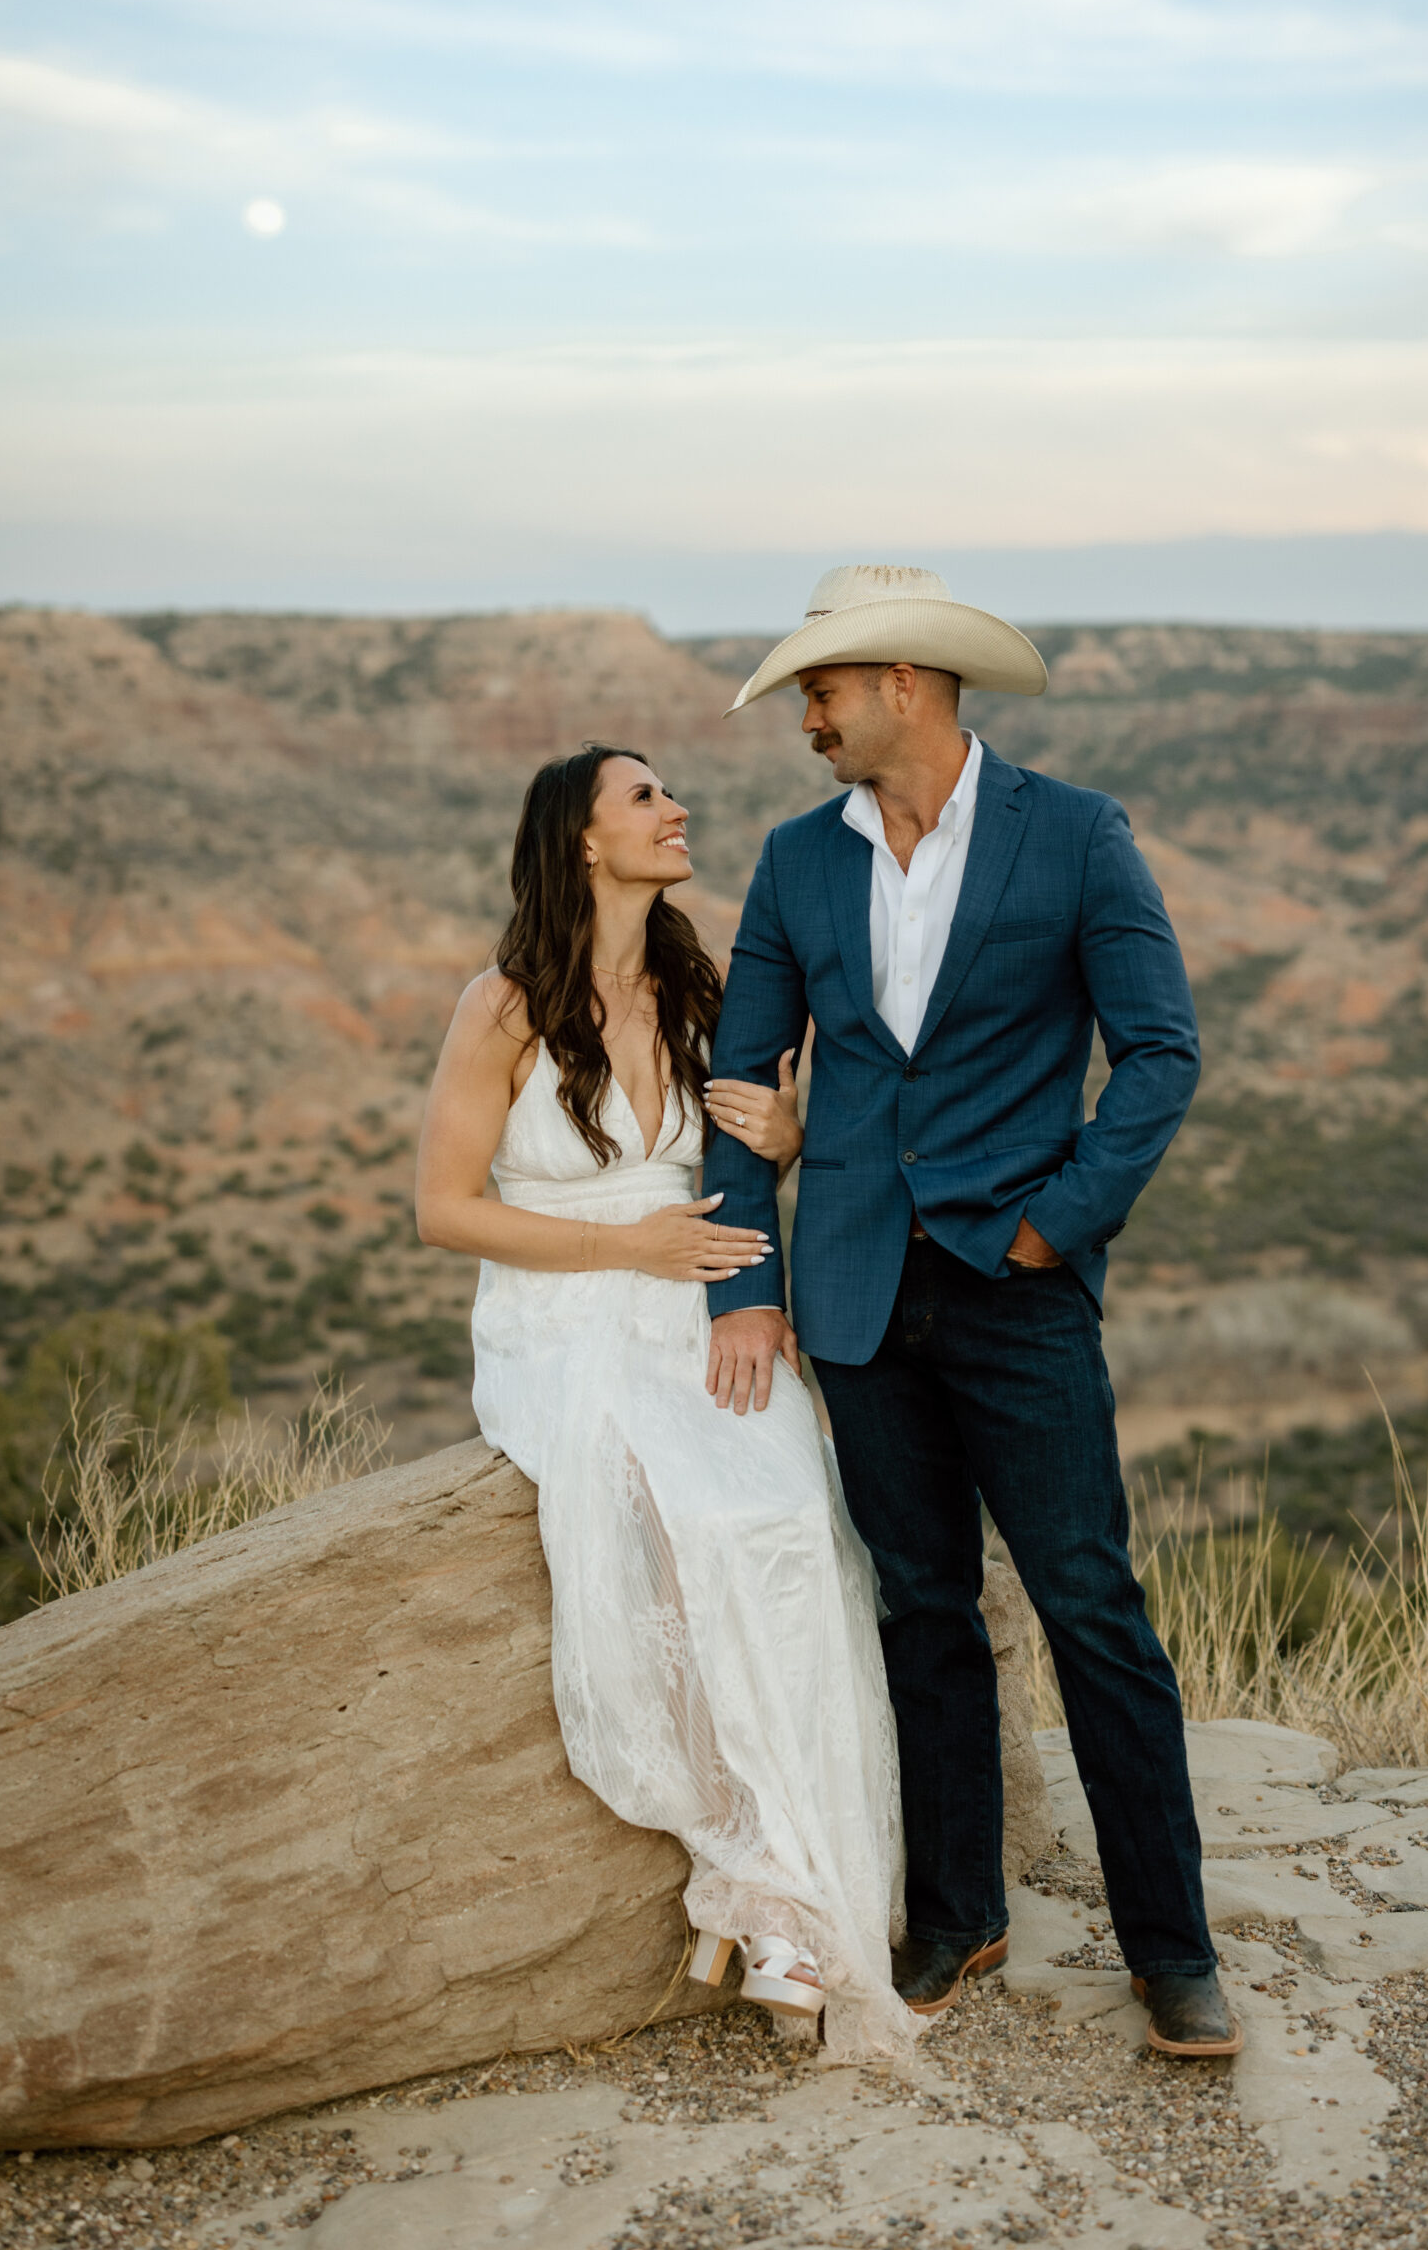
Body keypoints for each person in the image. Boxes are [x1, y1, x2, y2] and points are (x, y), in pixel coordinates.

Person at [700, 565, 1241, 2059]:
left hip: (1020, 1292)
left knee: (1092, 1610)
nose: (806, 714)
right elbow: (743, 1101)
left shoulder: (1074, 835)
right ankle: (958, 1912)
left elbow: (1160, 1055)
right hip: (859, 1292)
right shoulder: (797, 861)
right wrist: (744, 1286)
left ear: (907, 686)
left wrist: (1052, 1227)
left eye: (822, 687)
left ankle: (1173, 1950)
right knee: (920, 1607)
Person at [416, 745, 913, 2059]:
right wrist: (625, 1251)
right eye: (643, 797)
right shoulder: (506, 1004)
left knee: (796, 1524)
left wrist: (788, 1143)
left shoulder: (702, 985)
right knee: (668, 1516)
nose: (676, 809)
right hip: (565, 1311)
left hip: (694, 1299)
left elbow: (764, 1153)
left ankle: (777, 1887)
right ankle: (752, 1878)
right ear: (580, 839)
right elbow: (442, 1207)